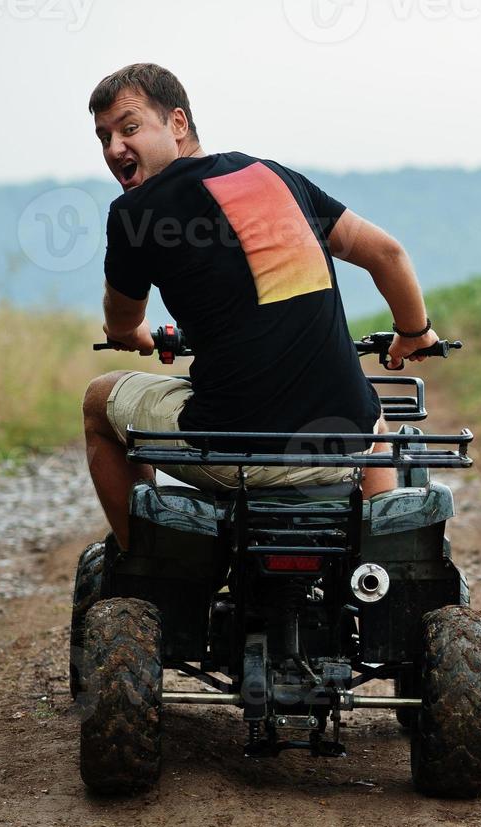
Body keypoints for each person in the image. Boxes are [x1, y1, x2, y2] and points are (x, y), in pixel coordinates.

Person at [80, 63, 438, 547]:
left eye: (129, 128)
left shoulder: (132, 215)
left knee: (99, 401)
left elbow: (123, 322)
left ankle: (141, 558)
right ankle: (378, 561)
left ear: (178, 124)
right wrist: (415, 332)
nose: (114, 149)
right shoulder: (275, 177)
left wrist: (134, 336)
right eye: (104, 138)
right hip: (340, 446)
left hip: (232, 453)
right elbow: (386, 253)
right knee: (369, 411)